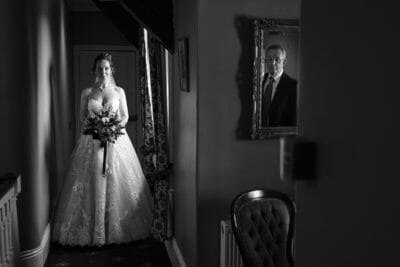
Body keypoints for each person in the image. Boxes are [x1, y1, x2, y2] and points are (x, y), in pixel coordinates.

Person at [52, 53, 153, 246]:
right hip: (91, 142)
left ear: (111, 70)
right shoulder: (87, 92)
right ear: (94, 70)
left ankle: (113, 228)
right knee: (90, 182)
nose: (103, 71)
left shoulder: (119, 91)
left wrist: (113, 127)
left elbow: (124, 116)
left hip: (116, 141)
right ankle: (90, 230)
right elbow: (82, 117)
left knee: (116, 181)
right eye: (99, 68)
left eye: (106, 68)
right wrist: (96, 126)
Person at [261, 44, 297, 127]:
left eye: (277, 59)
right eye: (269, 59)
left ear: (284, 62)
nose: (272, 63)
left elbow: (292, 120)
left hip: (278, 137)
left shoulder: (293, 85)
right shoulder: (259, 80)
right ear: (265, 60)